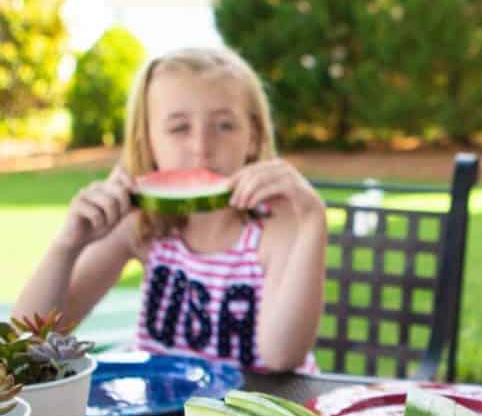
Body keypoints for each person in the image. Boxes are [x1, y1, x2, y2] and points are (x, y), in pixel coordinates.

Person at [14, 47, 327, 372]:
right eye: (179, 128)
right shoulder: (139, 223)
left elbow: (281, 357)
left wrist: (312, 219)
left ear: (253, 136)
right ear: (147, 141)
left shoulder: (276, 226)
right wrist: (67, 246)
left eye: (224, 126)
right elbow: (28, 342)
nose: (201, 148)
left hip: (257, 414)